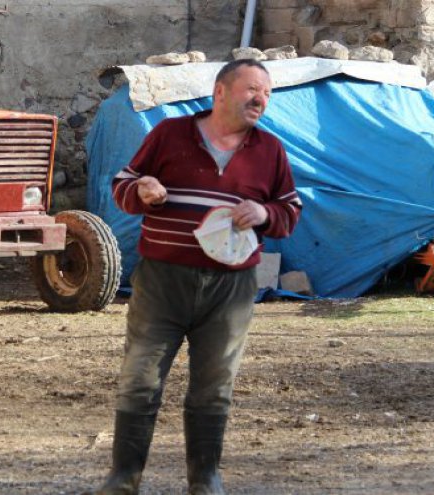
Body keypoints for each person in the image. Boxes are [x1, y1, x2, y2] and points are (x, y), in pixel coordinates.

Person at [95, 59, 302, 495]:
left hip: (230, 289)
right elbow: (122, 185)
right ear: (221, 91)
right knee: (140, 380)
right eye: (252, 89)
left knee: (213, 388)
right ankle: (123, 478)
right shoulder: (170, 134)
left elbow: (290, 212)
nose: (260, 99)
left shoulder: (270, 150)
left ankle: (204, 479)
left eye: (266, 93)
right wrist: (143, 191)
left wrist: (265, 212)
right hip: (162, 281)